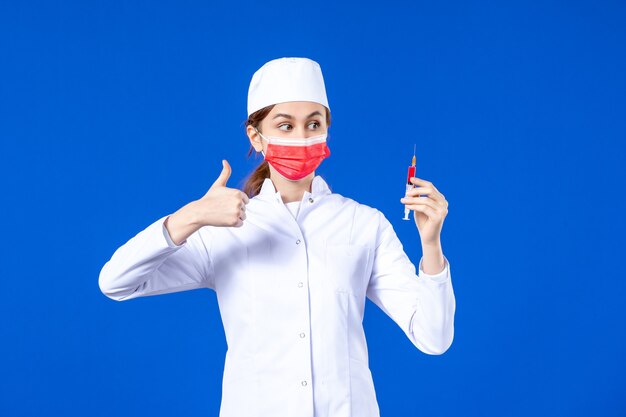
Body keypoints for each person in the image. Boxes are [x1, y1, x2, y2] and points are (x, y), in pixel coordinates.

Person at [99, 57, 456, 417]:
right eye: (285, 126)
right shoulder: (224, 228)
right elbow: (116, 282)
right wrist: (191, 216)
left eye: (312, 124)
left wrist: (430, 245)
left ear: (326, 131)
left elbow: (433, 337)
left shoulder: (363, 224)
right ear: (256, 136)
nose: (301, 138)